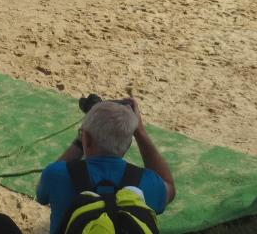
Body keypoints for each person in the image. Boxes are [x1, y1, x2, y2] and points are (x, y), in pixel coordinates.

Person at [35, 99, 175, 234]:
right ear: (128, 144)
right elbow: (169, 187)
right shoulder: (147, 182)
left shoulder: (55, 174)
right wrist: (140, 131)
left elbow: (41, 196)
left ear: (86, 139)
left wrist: (79, 142)